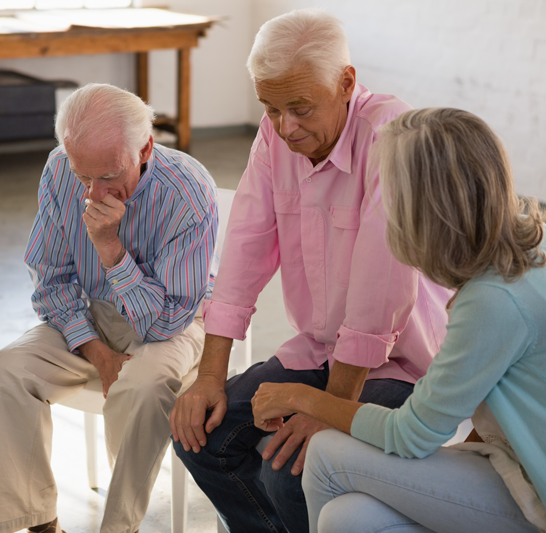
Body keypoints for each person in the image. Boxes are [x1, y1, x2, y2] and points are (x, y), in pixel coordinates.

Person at [169, 9, 454, 533]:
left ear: (346, 82)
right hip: (319, 351)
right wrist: (209, 375)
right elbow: (245, 248)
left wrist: (332, 406)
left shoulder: (392, 133)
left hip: (404, 365)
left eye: (299, 108)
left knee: (288, 467)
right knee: (200, 436)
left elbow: (379, 288)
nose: (284, 127)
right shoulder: (275, 132)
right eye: (270, 108)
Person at [252, 107, 546, 533]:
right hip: (516, 464)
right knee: (345, 519)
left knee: (324, 454)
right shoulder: (525, 248)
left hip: (536, 490)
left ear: (424, 210)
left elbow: (412, 434)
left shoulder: (494, 300)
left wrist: (301, 398)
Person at [0, 83, 217, 533]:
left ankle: (118, 528)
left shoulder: (187, 191)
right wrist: (95, 349)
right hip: (90, 313)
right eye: (83, 176)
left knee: (143, 387)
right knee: (6, 368)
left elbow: (167, 319)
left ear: (146, 147)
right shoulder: (57, 171)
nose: (93, 193)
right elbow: (49, 277)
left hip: (176, 320)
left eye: (109, 176)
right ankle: (39, 524)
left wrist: (110, 250)